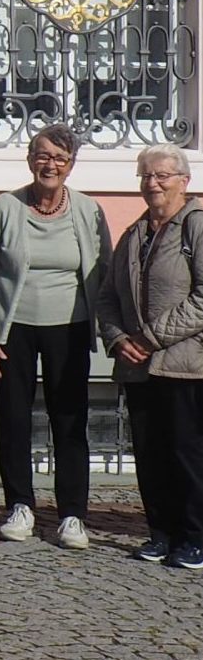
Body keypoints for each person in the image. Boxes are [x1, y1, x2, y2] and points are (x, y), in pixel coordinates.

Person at [0, 124, 111, 549]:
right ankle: (20, 505)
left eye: (60, 158)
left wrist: (107, 331)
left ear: (71, 166)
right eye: (42, 155)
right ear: (30, 160)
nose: (50, 165)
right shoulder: (5, 207)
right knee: (13, 418)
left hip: (69, 327)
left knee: (69, 420)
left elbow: (103, 276)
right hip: (12, 329)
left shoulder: (88, 210)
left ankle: (72, 514)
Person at [95, 145, 203, 568]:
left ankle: (193, 537)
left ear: (183, 180)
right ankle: (159, 532)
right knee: (150, 453)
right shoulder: (135, 233)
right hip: (138, 366)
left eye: (161, 176)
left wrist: (151, 337)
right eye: (145, 176)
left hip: (185, 366)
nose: (152, 183)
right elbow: (107, 296)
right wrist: (120, 338)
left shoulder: (195, 227)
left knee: (186, 453)